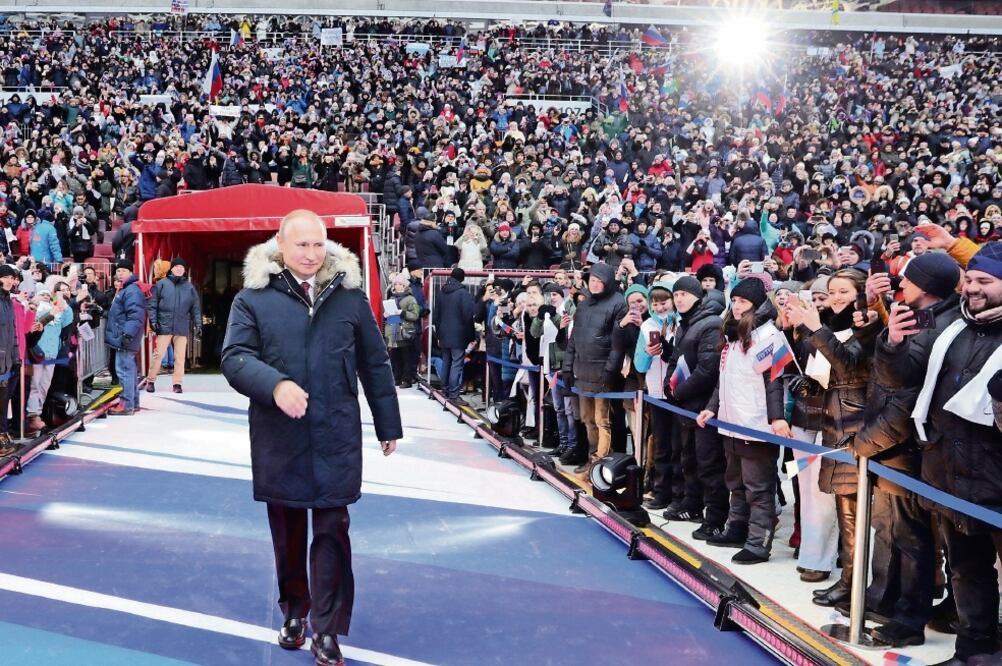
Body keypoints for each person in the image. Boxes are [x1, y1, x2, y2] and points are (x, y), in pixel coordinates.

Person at [221, 210, 402, 666]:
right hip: (279, 437)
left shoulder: (350, 297)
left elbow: (374, 363)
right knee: (288, 534)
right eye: (301, 244)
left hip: (335, 435)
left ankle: (327, 628)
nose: (310, 254)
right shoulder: (252, 299)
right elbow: (235, 357)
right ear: (280, 243)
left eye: (318, 244)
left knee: (332, 532)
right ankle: (294, 611)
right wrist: (275, 385)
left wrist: (388, 424)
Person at [877, 241, 1002, 664]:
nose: (972, 288)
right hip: (949, 473)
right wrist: (892, 343)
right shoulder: (953, 328)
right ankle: (974, 652)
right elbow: (905, 378)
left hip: (995, 478)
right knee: (967, 571)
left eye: (985, 281)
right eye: (970, 280)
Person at [697, 277, 789, 564]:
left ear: (757, 304)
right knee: (735, 481)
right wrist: (712, 408)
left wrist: (776, 418)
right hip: (731, 422)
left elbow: (774, 381)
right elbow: (723, 380)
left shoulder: (769, 336)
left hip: (756, 425)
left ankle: (758, 542)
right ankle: (736, 528)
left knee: (758, 488)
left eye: (743, 302)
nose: (736, 307)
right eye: (734, 301)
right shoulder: (733, 337)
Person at [560, 262, 627, 473]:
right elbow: (573, 340)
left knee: (602, 420)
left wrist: (610, 371)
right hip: (582, 371)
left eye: (599, 280)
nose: (595, 284)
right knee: (587, 419)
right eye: (592, 281)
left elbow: (617, 344)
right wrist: (567, 369)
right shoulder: (584, 304)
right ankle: (592, 456)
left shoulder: (618, 303)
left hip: (602, 373)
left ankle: (601, 462)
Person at [145, 257, 202, 394]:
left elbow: (195, 307)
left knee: (180, 356)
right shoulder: (162, 284)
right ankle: (151, 380)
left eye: (182, 267)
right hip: (164, 324)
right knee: (158, 354)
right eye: (177, 267)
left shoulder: (189, 287)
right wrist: (153, 321)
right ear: (172, 268)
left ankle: (177, 383)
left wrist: (198, 324)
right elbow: (152, 305)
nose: (179, 269)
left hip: (181, 325)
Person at [24, 285, 74, 432]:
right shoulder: (34, 310)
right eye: (42, 294)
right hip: (37, 353)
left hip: (52, 353)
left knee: (44, 385)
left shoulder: (58, 313)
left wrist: (60, 298)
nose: (45, 296)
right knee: (35, 385)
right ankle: (32, 415)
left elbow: (68, 317)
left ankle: (37, 413)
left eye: (47, 294)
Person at [105, 260, 146, 416]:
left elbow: (135, 315)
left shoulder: (131, 291)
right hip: (125, 336)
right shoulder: (126, 289)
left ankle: (126, 404)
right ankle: (132, 402)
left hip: (125, 337)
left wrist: (128, 334)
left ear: (130, 272)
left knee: (124, 370)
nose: (120, 273)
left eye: (123, 270)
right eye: (118, 270)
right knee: (129, 369)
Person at [433, 266, 476, 402]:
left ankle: (444, 390)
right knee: (457, 363)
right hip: (459, 335)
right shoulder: (463, 294)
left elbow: (436, 316)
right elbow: (468, 317)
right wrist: (471, 336)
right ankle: (454, 394)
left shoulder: (441, 292)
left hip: (444, 334)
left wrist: (439, 335)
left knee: (447, 362)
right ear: (462, 279)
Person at [383, 272, 421, 388]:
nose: (398, 286)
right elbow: (390, 317)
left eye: (400, 284)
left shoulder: (411, 299)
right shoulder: (391, 298)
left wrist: (402, 312)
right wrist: (386, 315)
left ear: (405, 286)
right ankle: (397, 378)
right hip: (394, 329)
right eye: (396, 284)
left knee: (406, 356)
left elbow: (415, 315)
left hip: (405, 331)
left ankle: (407, 380)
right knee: (395, 357)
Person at [0, 264, 19, 455]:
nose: (9, 281)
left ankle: (2, 436)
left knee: (3, 402)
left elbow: (12, 333)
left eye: (12, 278)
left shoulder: (8, 302)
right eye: (6, 277)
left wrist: (16, 357)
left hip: (6, 362)